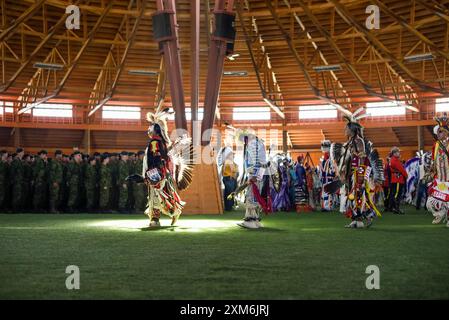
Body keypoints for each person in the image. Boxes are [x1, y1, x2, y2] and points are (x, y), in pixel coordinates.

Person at [136, 108, 193, 227]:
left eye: (150, 126)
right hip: (157, 173)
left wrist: (152, 173)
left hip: (157, 174)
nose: (148, 129)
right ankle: (166, 215)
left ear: (156, 129)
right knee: (159, 196)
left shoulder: (155, 142)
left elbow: (158, 158)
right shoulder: (159, 142)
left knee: (158, 196)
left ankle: (159, 218)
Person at [329, 108, 384, 228]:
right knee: (352, 196)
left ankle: (368, 216)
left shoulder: (358, 141)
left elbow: (363, 156)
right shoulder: (350, 142)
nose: (345, 130)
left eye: (346, 128)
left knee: (358, 195)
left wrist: (361, 177)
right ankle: (355, 220)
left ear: (352, 130)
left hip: (358, 173)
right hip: (351, 175)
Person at [426, 113, 449, 227]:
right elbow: (433, 159)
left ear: (446, 132)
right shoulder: (436, 144)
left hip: (448, 178)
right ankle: (440, 213)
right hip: (439, 178)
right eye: (438, 131)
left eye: (441, 131)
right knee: (431, 201)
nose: (438, 134)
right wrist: (431, 170)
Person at [388, 147, 408, 215]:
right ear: (394, 153)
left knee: (394, 193)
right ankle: (396, 208)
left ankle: (393, 208)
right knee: (397, 194)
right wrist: (406, 176)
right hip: (398, 179)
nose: (399, 153)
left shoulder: (393, 159)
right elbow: (402, 169)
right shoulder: (395, 160)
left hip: (395, 179)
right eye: (398, 152)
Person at [319, 140, 336, 211]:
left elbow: (332, 169)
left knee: (327, 193)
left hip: (329, 178)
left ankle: (328, 207)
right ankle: (325, 206)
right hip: (325, 178)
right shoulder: (324, 160)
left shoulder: (331, 159)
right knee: (325, 193)